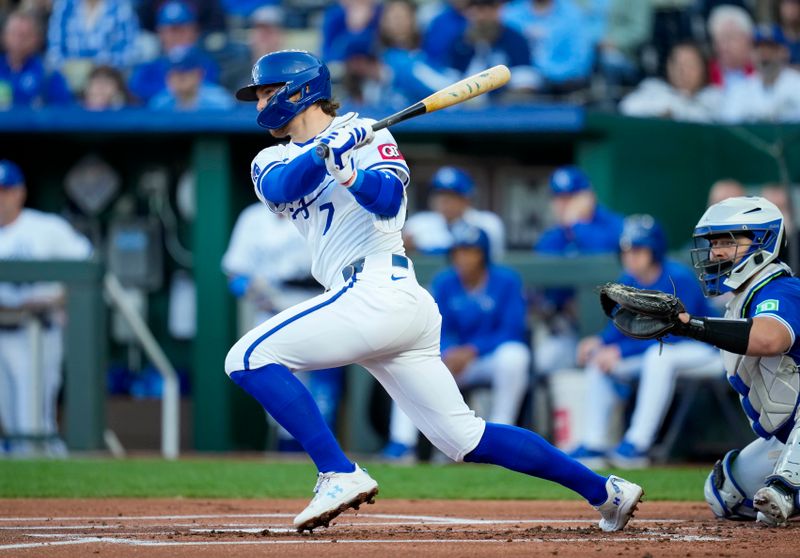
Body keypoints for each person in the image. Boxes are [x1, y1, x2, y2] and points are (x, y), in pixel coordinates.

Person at [227, 48, 642, 533]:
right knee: (463, 438)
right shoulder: (271, 156)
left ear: (299, 91)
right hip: (376, 300)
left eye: (267, 93)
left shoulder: (371, 135)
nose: (259, 105)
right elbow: (281, 187)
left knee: (247, 358)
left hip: (378, 285)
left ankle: (338, 472)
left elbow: (385, 202)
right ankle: (606, 492)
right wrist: (326, 151)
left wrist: (351, 171)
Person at [612, 196, 800, 526]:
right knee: (725, 493)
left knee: (780, 492)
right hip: (786, 437)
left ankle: (788, 486)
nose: (716, 253)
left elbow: (770, 338)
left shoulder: (781, 288)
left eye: (728, 241)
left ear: (762, 242)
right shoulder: (741, 298)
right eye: (714, 243)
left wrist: (692, 326)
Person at [568, 215, 721, 468]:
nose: (630, 256)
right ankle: (594, 443)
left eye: (638, 249)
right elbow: (620, 326)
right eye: (626, 250)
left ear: (655, 250)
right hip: (660, 352)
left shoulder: (677, 278)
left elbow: (673, 332)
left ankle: (638, 444)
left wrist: (619, 349)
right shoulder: (629, 280)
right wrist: (599, 343)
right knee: (600, 360)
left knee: (658, 357)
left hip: (706, 350)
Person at [382, 224, 531, 461]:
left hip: (487, 359)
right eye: (459, 251)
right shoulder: (445, 282)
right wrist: (449, 351)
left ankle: (503, 436)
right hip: (453, 360)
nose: (464, 258)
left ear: (483, 255)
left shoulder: (506, 281)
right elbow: (434, 326)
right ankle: (402, 443)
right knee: (409, 365)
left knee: (516, 356)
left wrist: (472, 350)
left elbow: (512, 330)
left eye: (471, 251)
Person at [222, 203, 343, 452]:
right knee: (277, 386)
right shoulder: (253, 216)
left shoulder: (321, 205)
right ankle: (287, 453)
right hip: (272, 308)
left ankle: (325, 456)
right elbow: (235, 274)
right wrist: (256, 294)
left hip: (316, 303)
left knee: (323, 389)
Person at [0, 160, 92, 456]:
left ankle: (53, 491)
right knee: (8, 421)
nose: (1, 198)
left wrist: (53, 300)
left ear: (20, 193)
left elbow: (87, 269)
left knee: (33, 419)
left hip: (36, 332)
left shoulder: (46, 228)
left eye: (6, 191)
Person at [532, 165, 624, 375]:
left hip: (616, 327)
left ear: (588, 196)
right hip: (569, 328)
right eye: (559, 198)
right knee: (545, 360)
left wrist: (576, 225)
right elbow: (546, 286)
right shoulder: (551, 238)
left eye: (571, 197)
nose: (564, 204)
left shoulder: (614, 225)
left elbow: (604, 259)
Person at [403, 166, 505, 260]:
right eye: (439, 195)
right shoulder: (417, 224)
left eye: (451, 195)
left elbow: (492, 262)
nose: (444, 201)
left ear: (467, 199)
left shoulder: (488, 223)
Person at [128, 0, 220, 104]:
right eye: (171, 30)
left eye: (182, 30)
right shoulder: (146, 71)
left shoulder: (208, 65)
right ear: (160, 33)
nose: (177, 36)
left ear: (194, 31)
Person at [446, 0, 540, 96]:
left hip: (503, 105)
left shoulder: (514, 40)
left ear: (498, 10)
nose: (482, 16)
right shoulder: (461, 42)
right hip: (464, 104)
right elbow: (451, 79)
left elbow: (525, 83)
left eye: (488, 8)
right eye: (477, 10)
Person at [619, 41, 721, 123]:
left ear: (702, 69)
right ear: (669, 67)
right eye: (678, 64)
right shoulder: (653, 88)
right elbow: (626, 108)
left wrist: (678, 110)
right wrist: (659, 112)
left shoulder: (714, 97)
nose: (683, 71)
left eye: (689, 65)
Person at [717, 24, 800, 123]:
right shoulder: (739, 91)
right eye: (759, 48)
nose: (765, 55)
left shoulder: (797, 84)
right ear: (752, 53)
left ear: (784, 52)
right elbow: (728, 128)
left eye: (771, 48)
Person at [0, 9, 72, 109]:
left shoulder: (48, 73)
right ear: (3, 36)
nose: (18, 41)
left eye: (24, 36)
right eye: (13, 34)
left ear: (36, 39)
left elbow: (63, 113)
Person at [46, 0, 140, 73]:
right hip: (69, 73)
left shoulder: (121, 7)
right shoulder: (64, 6)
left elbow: (129, 51)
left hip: (108, 74)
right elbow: (54, 49)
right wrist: (66, 66)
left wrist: (101, 65)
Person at [149, 46, 233, 110]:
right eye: (174, 73)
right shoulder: (159, 103)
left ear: (199, 74)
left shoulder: (220, 101)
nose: (178, 77)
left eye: (184, 72)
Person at [707, 4, 755, 88]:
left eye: (730, 38)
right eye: (719, 40)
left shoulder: (759, 69)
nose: (723, 46)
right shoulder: (705, 74)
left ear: (747, 40)